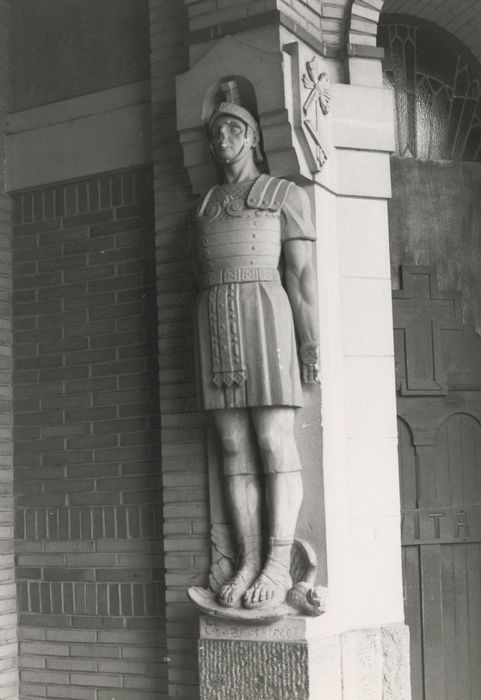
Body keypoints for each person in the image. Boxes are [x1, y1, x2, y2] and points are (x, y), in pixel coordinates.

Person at [193, 92, 319, 610]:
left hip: (266, 317)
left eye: (233, 130)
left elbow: (301, 277)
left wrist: (310, 339)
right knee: (232, 446)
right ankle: (246, 559)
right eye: (216, 133)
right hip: (215, 322)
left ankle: (275, 560)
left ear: (253, 136)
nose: (224, 141)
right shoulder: (202, 207)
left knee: (271, 439)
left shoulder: (284, 195)